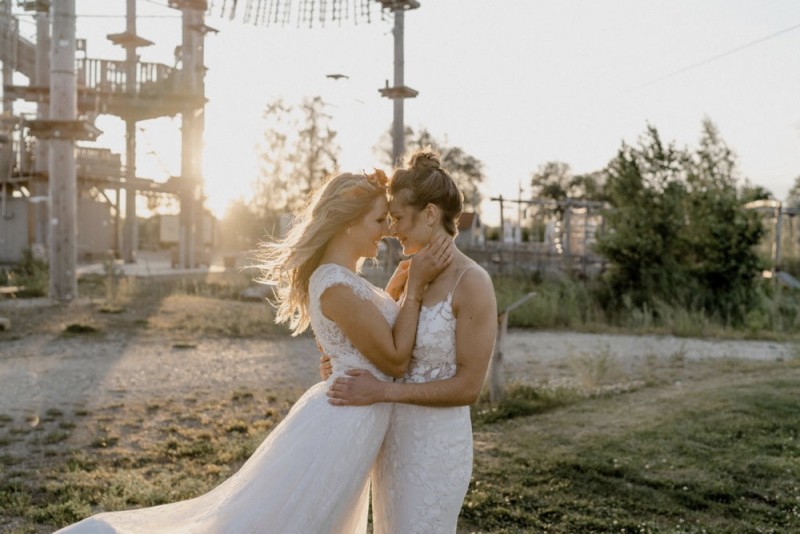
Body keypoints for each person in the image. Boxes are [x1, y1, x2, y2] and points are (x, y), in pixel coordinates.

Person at [55, 169, 453, 533]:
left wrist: (396, 293)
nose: (386, 230)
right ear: (348, 223)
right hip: (341, 426)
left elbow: (367, 341)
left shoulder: (348, 281)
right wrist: (415, 286)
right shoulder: (335, 285)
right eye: (378, 219)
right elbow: (396, 359)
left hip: (353, 418)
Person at [324, 149, 498, 533]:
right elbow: (385, 345)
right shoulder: (409, 277)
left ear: (431, 214)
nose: (391, 229)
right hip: (392, 444)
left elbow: (469, 387)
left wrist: (382, 392)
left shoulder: (472, 282)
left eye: (399, 218)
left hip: (436, 448)